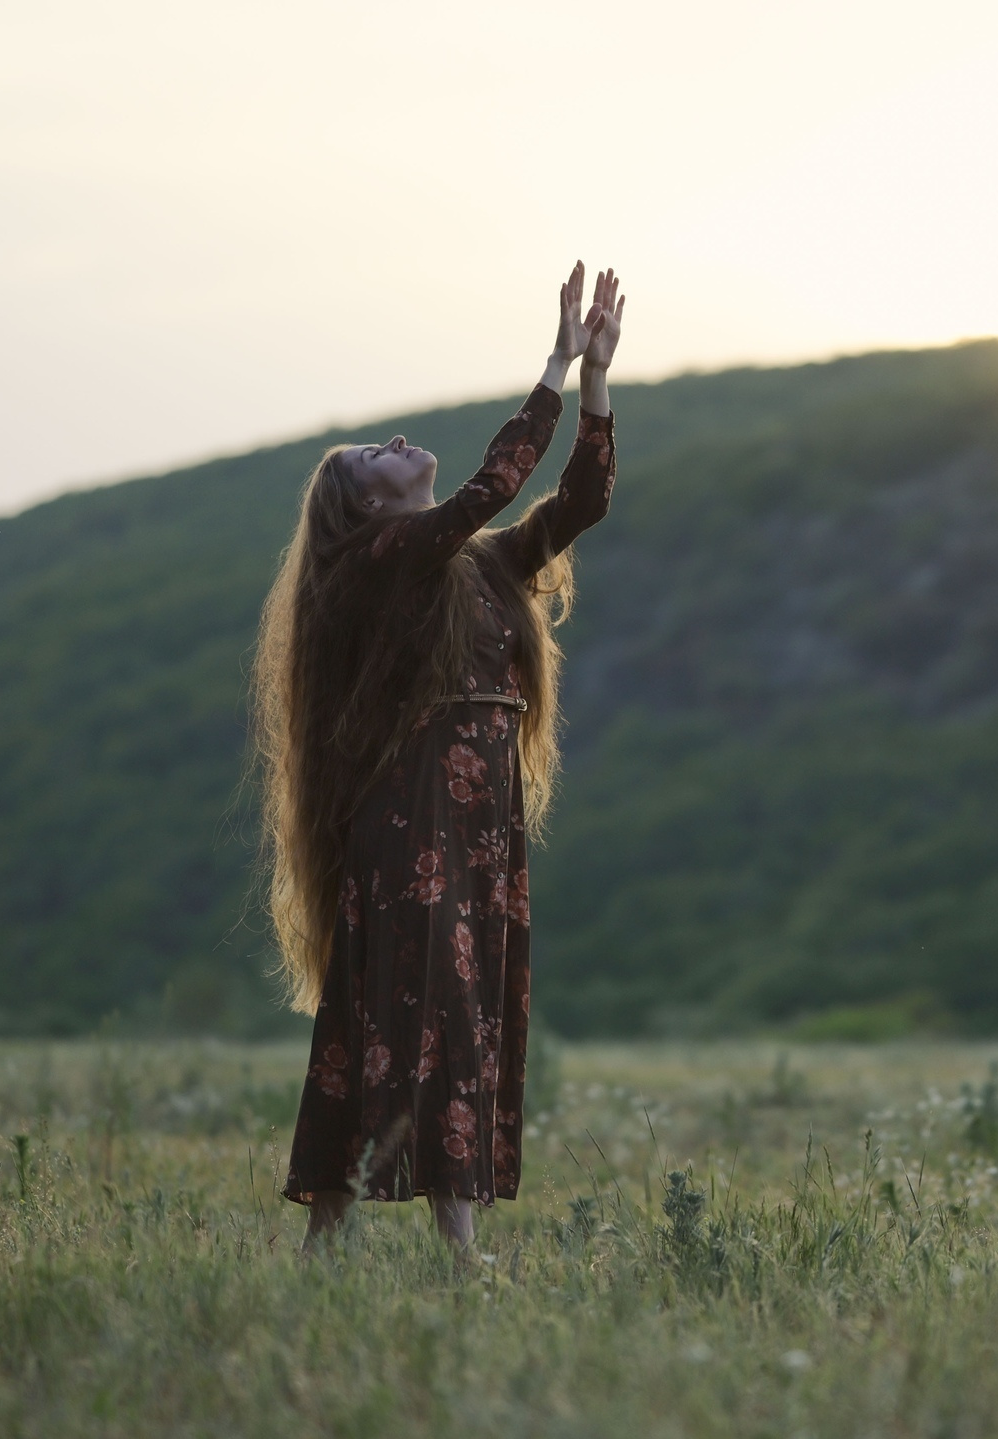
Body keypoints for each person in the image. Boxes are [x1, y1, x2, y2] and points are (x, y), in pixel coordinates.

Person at [251, 263, 624, 1253]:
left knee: (434, 1007)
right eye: (376, 450)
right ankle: (459, 1257)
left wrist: (594, 383)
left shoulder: (481, 563)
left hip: (481, 823)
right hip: (409, 819)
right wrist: (548, 365)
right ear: (359, 506)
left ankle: (330, 1246)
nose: (402, 441)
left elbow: (577, 502)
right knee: (422, 1010)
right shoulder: (372, 565)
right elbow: (495, 483)